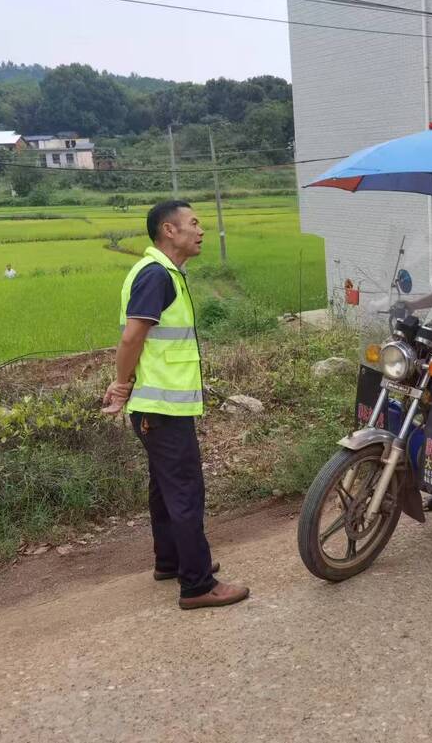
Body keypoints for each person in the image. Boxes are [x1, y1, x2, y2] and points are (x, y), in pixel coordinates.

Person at [102, 200, 249, 611]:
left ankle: (171, 561)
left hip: (160, 407)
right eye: (194, 224)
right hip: (161, 408)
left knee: (165, 488)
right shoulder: (156, 276)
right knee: (184, 490)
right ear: (169, 230)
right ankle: (198, 583)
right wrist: (120, 386)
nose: (200, 230)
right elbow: (132, 338)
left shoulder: (166, 274)